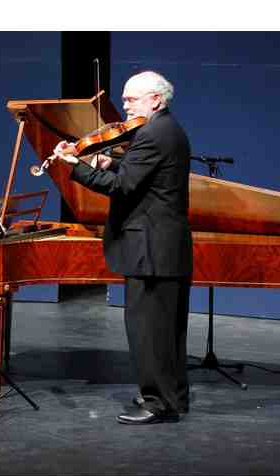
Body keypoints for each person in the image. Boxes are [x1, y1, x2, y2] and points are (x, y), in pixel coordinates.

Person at [53, 70, 192, 424]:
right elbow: (141, 175)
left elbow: (122, 188)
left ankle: (157, 403)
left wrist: (76, 167)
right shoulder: (168, 129)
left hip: (150, 249)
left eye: (131, 99)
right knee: (167, 330)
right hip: (165, 246)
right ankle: (173, 397)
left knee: (148, 331)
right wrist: (109, 161)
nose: (125, 106)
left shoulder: (151, 134)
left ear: (155, 100)